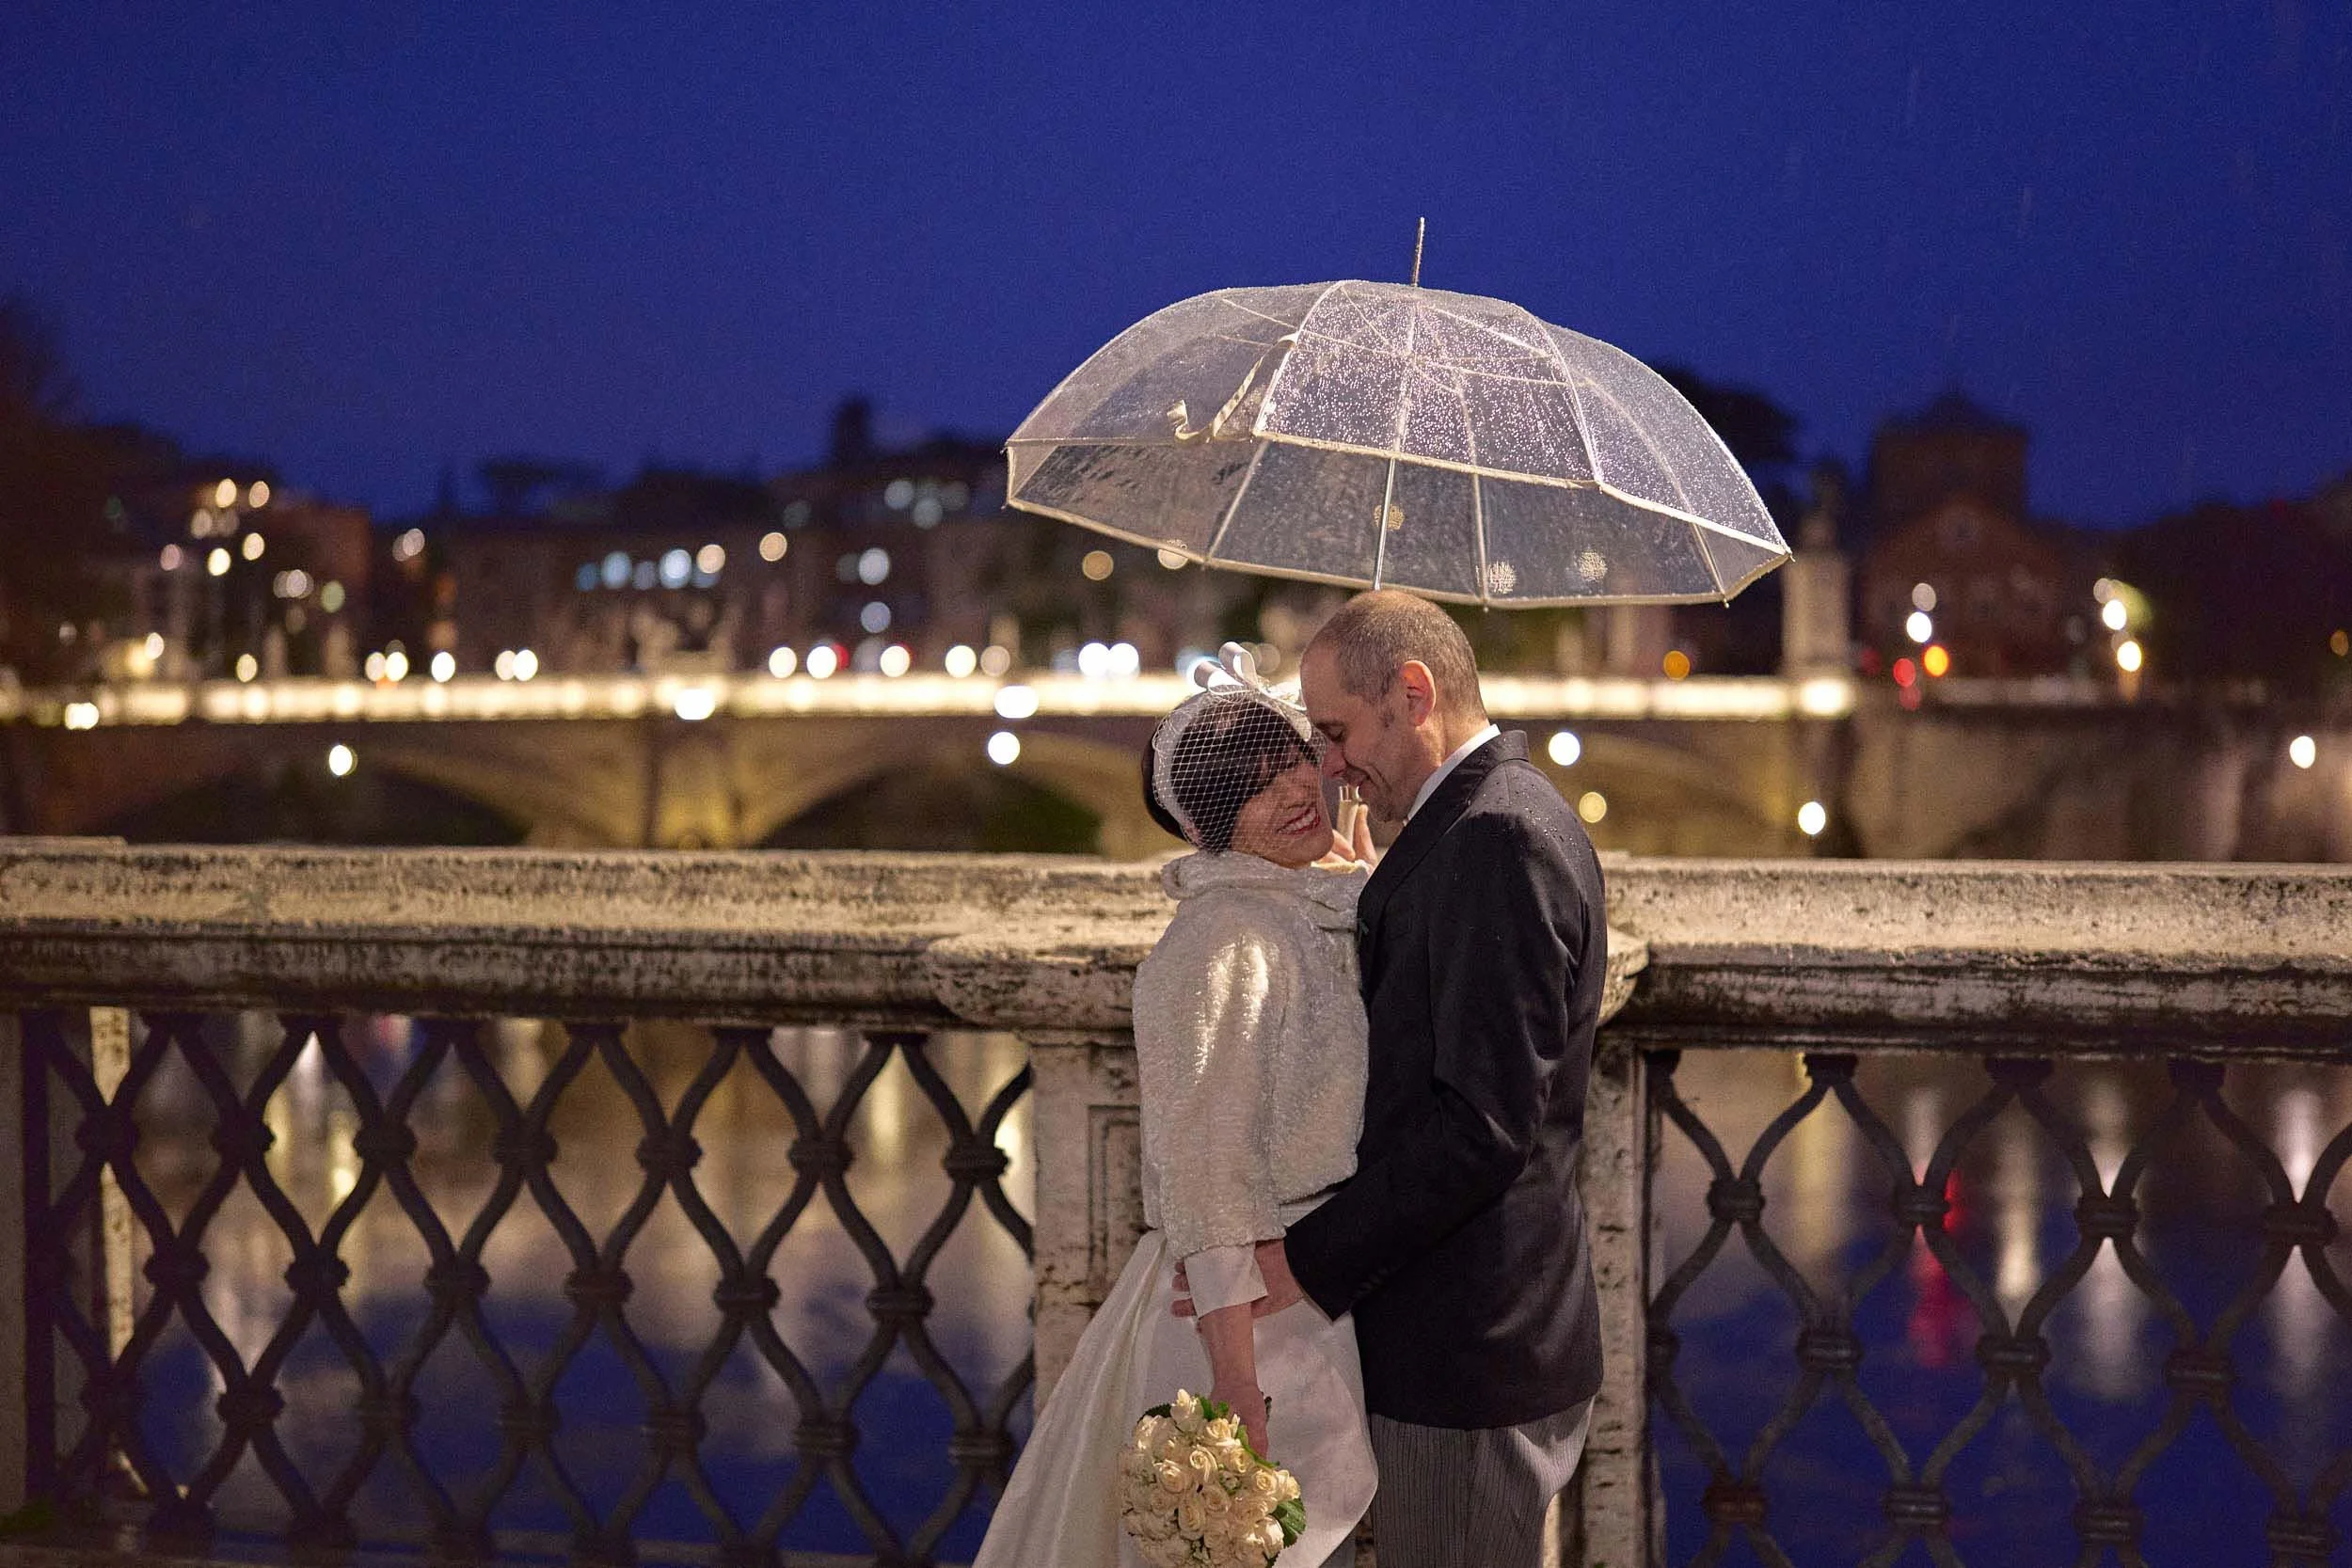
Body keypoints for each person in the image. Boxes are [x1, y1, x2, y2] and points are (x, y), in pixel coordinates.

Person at [1179, 591, 1607, 1567]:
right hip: (1478, 1337)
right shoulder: (1481, 823)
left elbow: (1482, 1126)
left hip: (1468, 1353)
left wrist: (1299, 1262)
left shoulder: (1493, 840)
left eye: (1334, 731)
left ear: (1412, 693)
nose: (1328, 765)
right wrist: (1374, 900)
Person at [973, 648, 1379, 1568]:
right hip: (1252, 1320)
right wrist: (1235, 1384)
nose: (1289, 790)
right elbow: (1205, 1162)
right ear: (1208, 827)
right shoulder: (1221, 937)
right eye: (1250, 787)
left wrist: (1357, 885)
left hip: (1310, 1294)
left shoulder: (1291, 912)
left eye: (1288, 760)